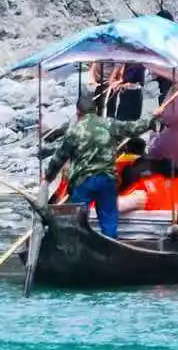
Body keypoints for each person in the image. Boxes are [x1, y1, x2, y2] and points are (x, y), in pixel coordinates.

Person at [44, 81, 155, 239]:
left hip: (83, 181)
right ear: (96, 110)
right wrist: (152, 119)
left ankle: (77, 244)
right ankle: (110, 245)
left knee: (75, 220)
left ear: (78, 111)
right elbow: (133, 128)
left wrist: (48, 177)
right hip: (107, 179)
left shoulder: (74, 130)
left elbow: (59, 158)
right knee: (109, 219)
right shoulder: (109, 124)